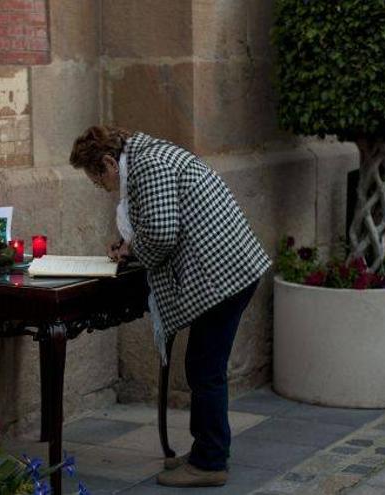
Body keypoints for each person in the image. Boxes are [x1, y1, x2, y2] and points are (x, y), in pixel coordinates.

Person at [69, 126, 271, 488]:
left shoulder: (148, 165)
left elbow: (162, 233)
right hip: (229, 271)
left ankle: (210, 462)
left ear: (108, 162)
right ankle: (206, 451)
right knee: (203, 366)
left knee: (204, 369)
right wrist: (130, 246)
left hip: (223, 276)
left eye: (96, 178)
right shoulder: (150, 158)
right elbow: (157, 223)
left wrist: (134, 251)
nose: (99, 187)